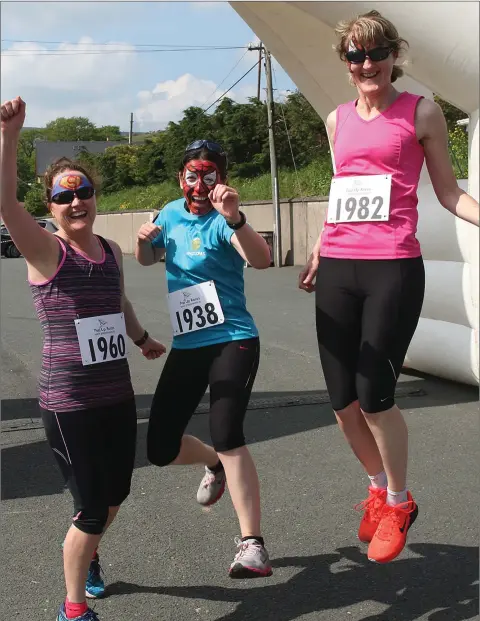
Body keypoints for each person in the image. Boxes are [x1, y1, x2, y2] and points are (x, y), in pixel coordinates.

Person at [299, 10, 479, 564]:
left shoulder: (420, 112)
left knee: (375, 396)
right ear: (347, 63)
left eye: (377, 52)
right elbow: (343, 192)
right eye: (356, 56)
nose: (367, 63)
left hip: (392, 267)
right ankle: (377, 488)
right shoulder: (335, 120)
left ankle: (400, 502)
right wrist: (318, 247)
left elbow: (448, 193)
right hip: (339, 267)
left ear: (394, 55)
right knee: (341, 403)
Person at [1, 96, 166, 621]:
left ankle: (88, 557)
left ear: (96, 196)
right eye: (63, 197)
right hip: (69, 402)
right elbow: (6, 206)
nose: (77, 204)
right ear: (50, 206)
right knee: (91, 507)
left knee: (115, 494)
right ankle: (73, 609)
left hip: (116, 395)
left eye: (84, 193)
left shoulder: (111, 252)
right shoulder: (48, 251)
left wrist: (141, 339)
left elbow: (116, 303)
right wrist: (10, 138)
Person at [135, 139, 273, 578]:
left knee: (228, 430)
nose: (199, 185)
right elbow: (147, 260)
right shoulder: (169, 212)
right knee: (158, 448)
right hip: (189, 344)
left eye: (208, 176)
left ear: (221, 180)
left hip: (234, 339)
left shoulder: (226, 218)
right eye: (191, 176)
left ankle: (252, 544)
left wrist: (236, 218)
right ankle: (213, 462)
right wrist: (143, 240)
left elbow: (264, 260)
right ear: (181, 179)